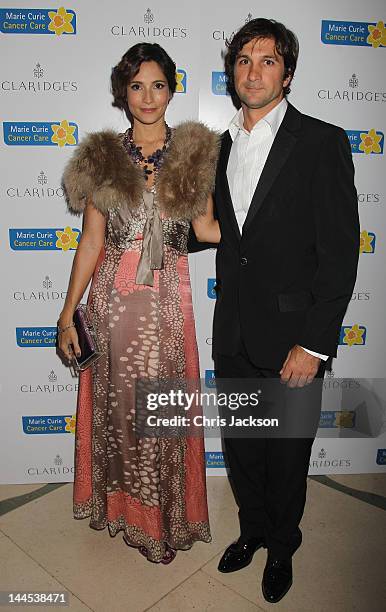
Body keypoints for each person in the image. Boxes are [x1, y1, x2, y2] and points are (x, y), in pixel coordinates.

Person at [210, 18, 359, 603]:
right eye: (244, 59)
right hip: (235, 332)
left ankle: (282, 546)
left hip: (296, 338)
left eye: (267, 60)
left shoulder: (321, 141)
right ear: (233, 71)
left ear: (288, 73)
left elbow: (340, 253)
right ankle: (251, 532)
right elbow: (221, 234)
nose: (254, 70)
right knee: (244, 449)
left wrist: (316, 343)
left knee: (287, 455)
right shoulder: (217, 146)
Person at [57, 42, 220, 564]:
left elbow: (208, 230)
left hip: (169, 304)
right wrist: (67, 312)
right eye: (136, 86)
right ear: (122, 92)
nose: (147, 97)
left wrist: (271, 224)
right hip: (111, 306)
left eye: (158, 84)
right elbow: (91, 243)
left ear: (172, 89)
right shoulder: (103, 156)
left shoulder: (195, 151)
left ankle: (161, 522)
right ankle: (125, 513)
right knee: (120, 416)